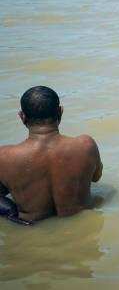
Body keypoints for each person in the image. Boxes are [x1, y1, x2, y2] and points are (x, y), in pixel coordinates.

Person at [0, 86, 103, 224]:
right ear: (60, 112)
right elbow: (96, 178)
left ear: (22, 116)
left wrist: (9, 212)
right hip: (80, 224)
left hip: (32, 231)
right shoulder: (86, 145)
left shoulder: (5, 157)